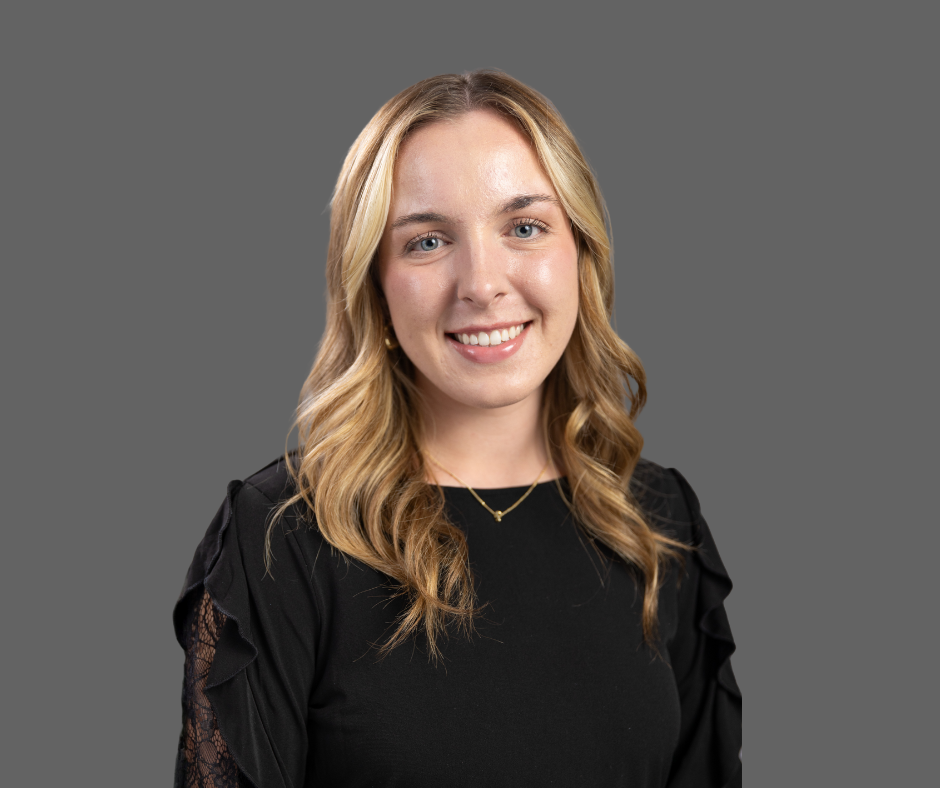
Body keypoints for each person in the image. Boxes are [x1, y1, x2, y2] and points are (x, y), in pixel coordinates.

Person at [173, 69, 742, 788]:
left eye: (525, 227)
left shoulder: (660, 523)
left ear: (581, 254)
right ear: (373, 286)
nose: (481, 282)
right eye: (427, 241)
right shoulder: (278, 540)